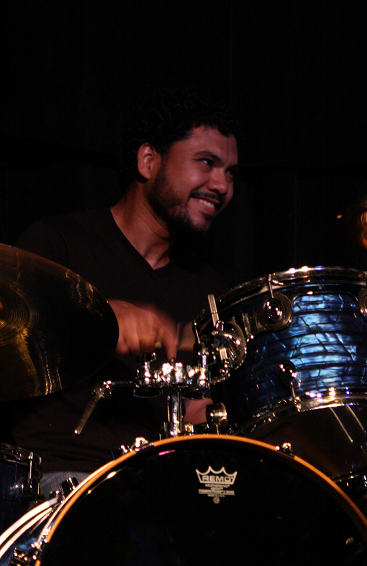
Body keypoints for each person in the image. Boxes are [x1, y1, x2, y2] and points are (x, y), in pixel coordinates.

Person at [8, 89, 239, 497]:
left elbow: (198, 413)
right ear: (148, 161)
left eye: (231, 173)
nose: (222, 185)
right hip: (61, 481)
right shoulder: (56, 246)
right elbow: (11, 335)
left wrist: (208, 417)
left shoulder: (211, 292)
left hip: (162, 484)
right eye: (207, 162)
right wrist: (97, 318)